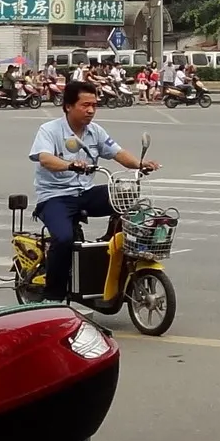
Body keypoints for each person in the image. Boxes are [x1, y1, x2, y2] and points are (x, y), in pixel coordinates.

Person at [29, 80, 156, 301]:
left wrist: (140, 164)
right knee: (64, 239)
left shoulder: (95, 131)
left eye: (94, 105)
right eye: (85, 105)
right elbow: (45, 158)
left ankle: (113, 257)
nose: (90, 110)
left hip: (85, 193)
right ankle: (53, 296)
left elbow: (117, 152)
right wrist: (69, 164)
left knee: (127, 198)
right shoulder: (49, 130)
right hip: (56, 197)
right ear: (68, 106)